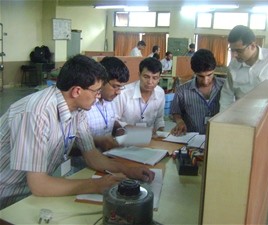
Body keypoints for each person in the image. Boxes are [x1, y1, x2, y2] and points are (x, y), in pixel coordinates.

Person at [0, 54, 154, 210]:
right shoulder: (37, 113)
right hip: (7, 195)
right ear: (76, 91)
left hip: (31, 192)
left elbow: (92, 156)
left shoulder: (77, 110)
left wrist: (128, 170)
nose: (98, 97)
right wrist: (95, 185)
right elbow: (39, 185)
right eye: (96, 91)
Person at [220, 25, 268, 111]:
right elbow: (227, 94)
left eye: (239, 51)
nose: (234, 55)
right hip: (241, 115)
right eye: (232, 50)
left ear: (253, 45)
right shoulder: (233, 65)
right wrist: (222, 118)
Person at [170, 49, 225, 135]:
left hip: (219, 136)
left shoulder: (225, 87)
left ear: (214, 70)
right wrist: (179, 121)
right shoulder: (182, 90)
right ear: (194, 72)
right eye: (200, 76)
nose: (205, 81)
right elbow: (175, 112)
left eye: (209, 75)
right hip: (192, 139)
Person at [86, 57, 130, 151]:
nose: (118, 92)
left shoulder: (110, 101)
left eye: (121, 87)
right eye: (115, 86)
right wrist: (97, 141)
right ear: (102, 80)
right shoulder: (85, 105)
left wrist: (119, 129)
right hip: (84, 163)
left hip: (109, 155)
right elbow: (69, 143)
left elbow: (111, 122)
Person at [113, 57, 165, 133]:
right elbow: (114, 122)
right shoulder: (124, 93)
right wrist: (140, 131)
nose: (150, 82)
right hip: (126, 138)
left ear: (159, 78)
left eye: (155, 78)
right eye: (146, 77)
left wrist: (161, 133)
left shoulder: (160, 93)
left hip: (149, 139)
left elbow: (159, 118)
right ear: (139, 75)